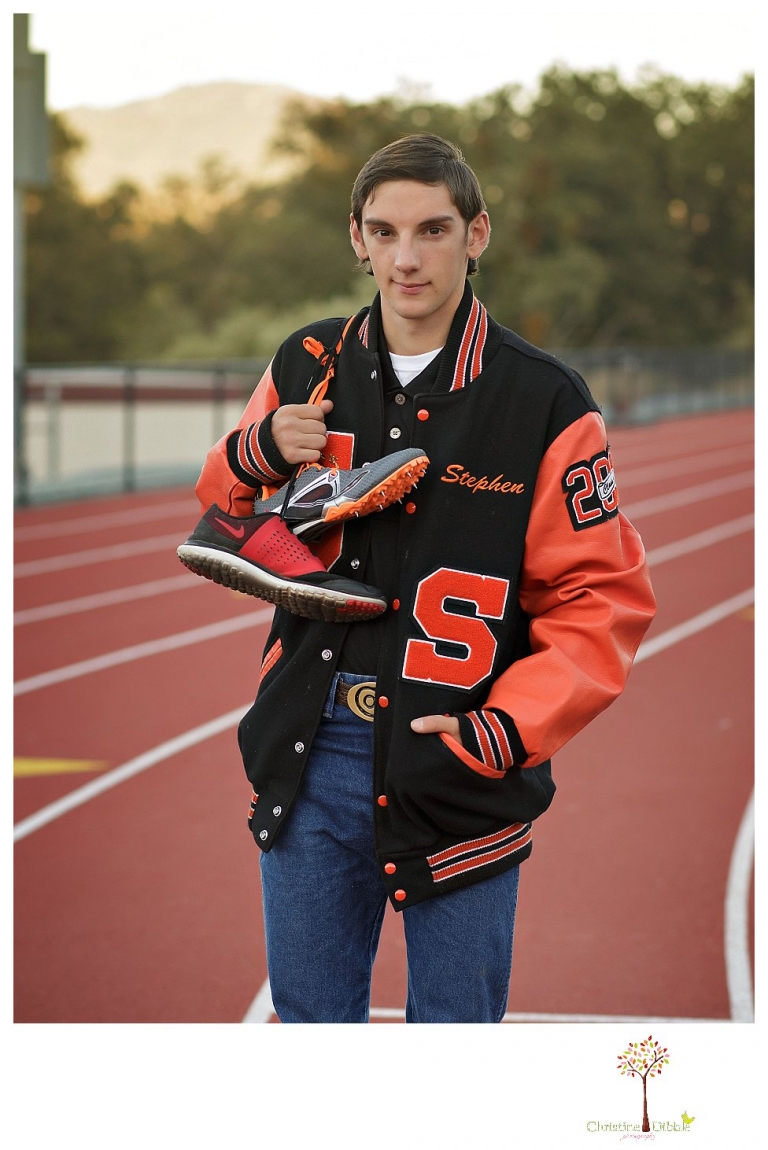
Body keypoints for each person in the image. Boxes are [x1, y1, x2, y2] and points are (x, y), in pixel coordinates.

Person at [189, 134, 656, 1023]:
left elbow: (601, 600)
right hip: (310, 745)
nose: (407, 258)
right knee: (313, 1037)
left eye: (433, 230)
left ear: (476, 234)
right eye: (385, 232)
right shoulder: (308, 362)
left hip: (455, 757)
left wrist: (504, 731)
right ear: (357, 239)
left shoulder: (545, 399)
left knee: (455, 1044)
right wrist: (257, 450)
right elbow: (221, 509)